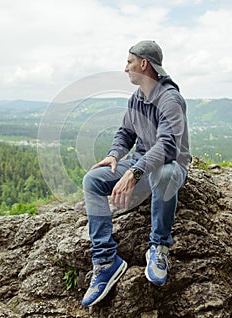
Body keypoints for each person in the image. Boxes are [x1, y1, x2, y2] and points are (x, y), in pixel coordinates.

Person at [81, 40, 191, 307]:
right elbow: (126, 133)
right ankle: (106, 261)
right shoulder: (136, 98)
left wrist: (134, 171)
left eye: (129, 62)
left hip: (170, 166)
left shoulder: (170, 99)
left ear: (144, 64)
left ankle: (159, 247)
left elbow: (167, 147)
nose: (125, 67)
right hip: (140, 165)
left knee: (163, 174)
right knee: (93, 180)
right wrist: (114, 155)